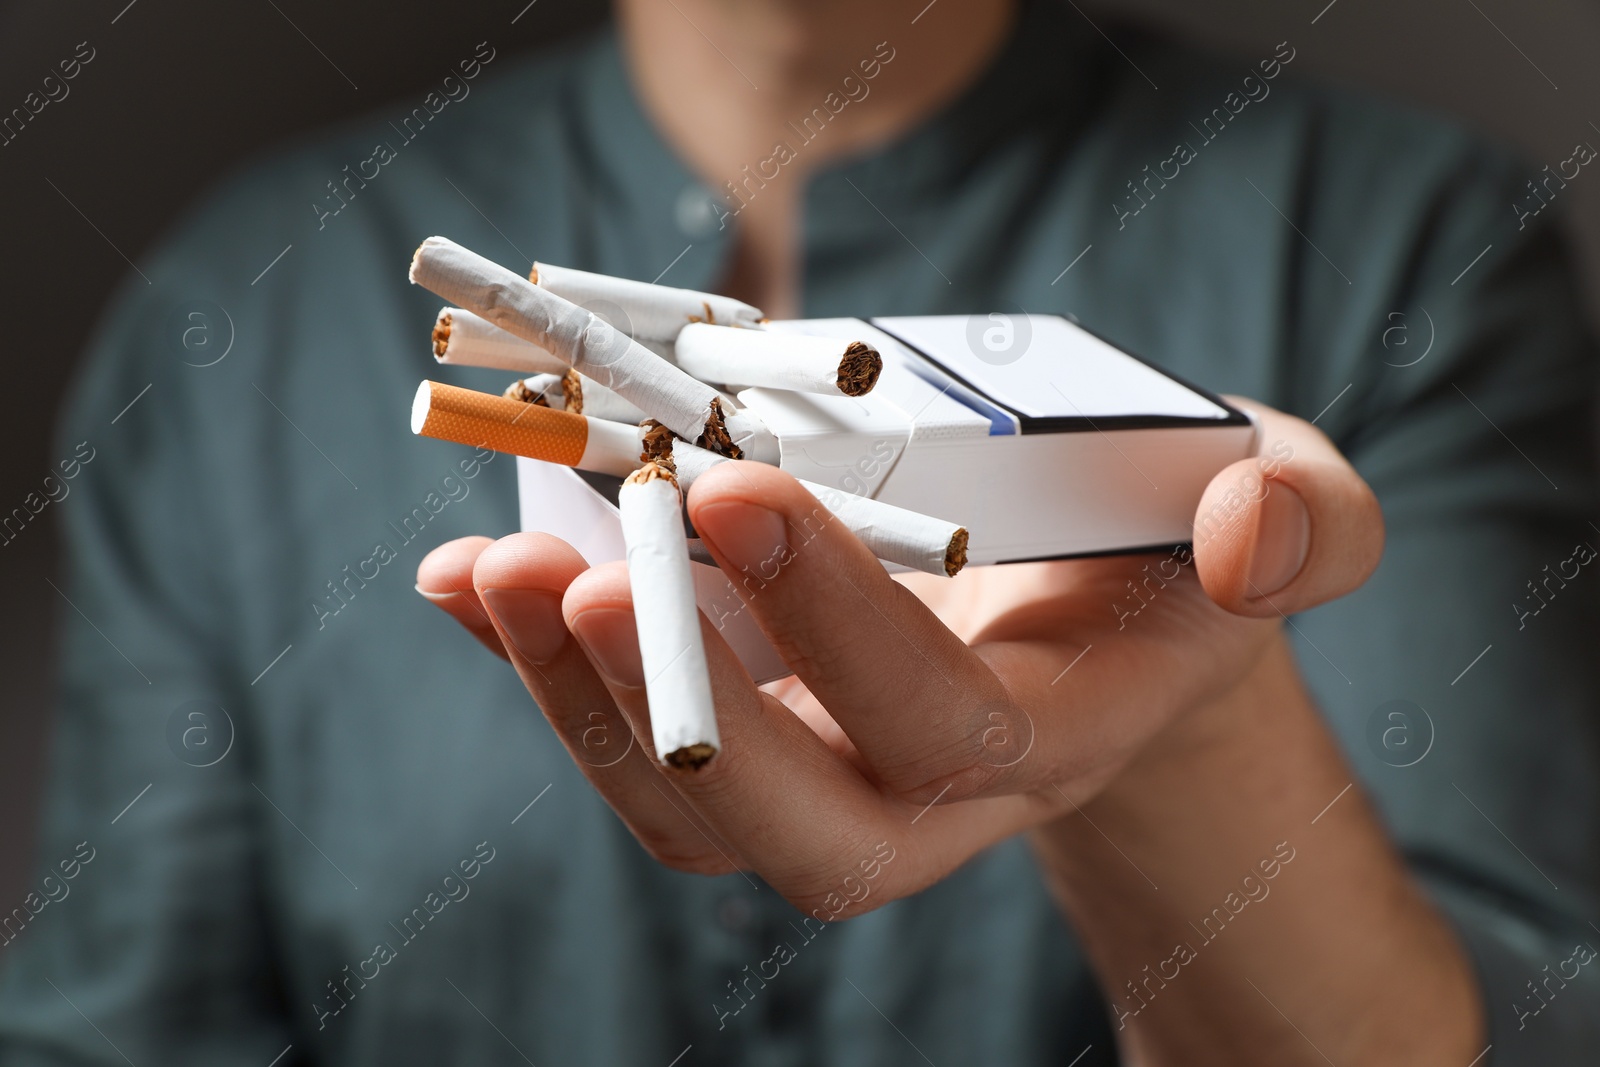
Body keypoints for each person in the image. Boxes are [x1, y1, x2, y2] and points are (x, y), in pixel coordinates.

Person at [2, 0, 1597, 1062]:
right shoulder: (240, 315)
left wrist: (1178, 739)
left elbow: (1496, 1020)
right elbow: (128, 1027)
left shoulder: (1402, 244)